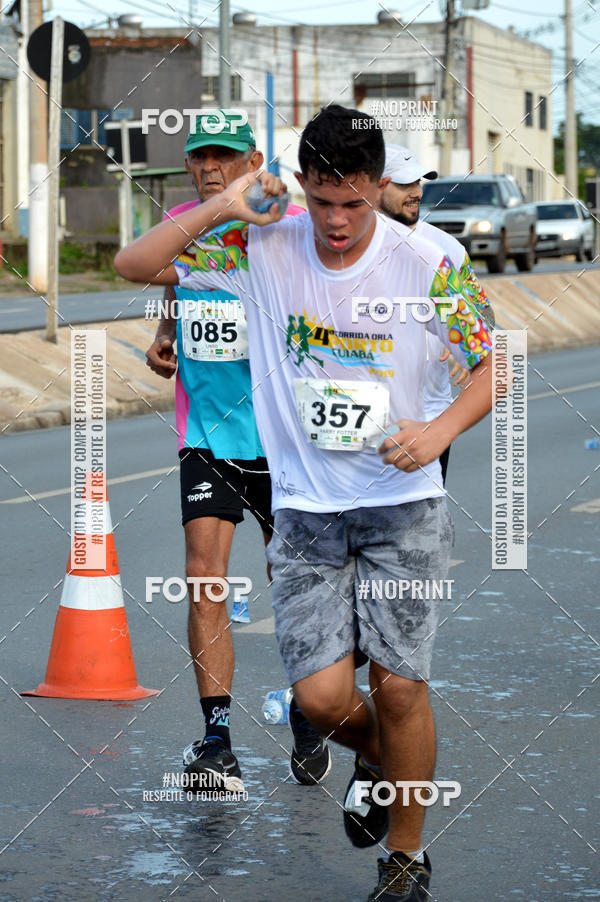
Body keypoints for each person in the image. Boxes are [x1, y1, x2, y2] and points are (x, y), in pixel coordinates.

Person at [115, 104, 493, 902]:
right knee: (322, 702)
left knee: (397, 684)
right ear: (303, 186)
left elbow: (492, 368)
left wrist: (437, 432)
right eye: (321, 201)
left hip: (405, 504)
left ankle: (405, 857)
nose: (337, 222)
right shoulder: (264, 241)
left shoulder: (432, 259)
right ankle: (384, 757)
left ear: (377, 186)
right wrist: (225, 204)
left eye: (354, 202)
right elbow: (132, 262)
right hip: (306, 513)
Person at [143, 112, 331, 793]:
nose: (211, 166)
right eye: (200, 156)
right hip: (208, 435)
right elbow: (171, 280)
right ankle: (216, 735)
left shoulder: (279, 225)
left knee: (294, 583)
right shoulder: (186, 220)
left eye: (225, 155)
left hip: (283, 438)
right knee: (205, 577)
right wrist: (166, 332)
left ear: (253, 159)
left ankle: (311, 711)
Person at [380, 144, 495, 483]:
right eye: (403, 184)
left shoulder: (444, 249)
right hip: (352, 421)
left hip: (425, 420)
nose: (416, 192)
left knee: (414, 533)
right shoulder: (342, 244)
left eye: (419, 183)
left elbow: (484, 314)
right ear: (372, 184)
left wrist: (468, 345)